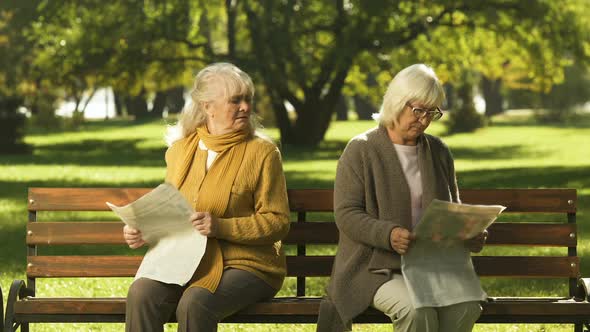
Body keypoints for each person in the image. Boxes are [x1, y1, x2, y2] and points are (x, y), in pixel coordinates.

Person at [316, 64, 486, 332]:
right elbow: (346, 214)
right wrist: (388, 234)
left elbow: (452, 210)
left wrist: (468, 233)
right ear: (396, 102)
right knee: (417, 310)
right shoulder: (361, 149)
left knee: (467, 306)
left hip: (430, 267)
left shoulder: (438, 151)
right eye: (418, 110)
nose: (424, 119)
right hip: (374, 269)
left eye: (432, 113)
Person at [122, 62, 290, 332]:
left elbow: (278, 221)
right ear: (207, 107)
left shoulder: (263, 152)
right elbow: (173, 211)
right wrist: (146, 230)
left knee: (195, 303)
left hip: (248, 266)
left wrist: (221, 226)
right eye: (236, 101)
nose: (246, 107)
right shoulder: (180, 151)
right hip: (186, 261)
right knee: (142, 294)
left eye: (248, 99)